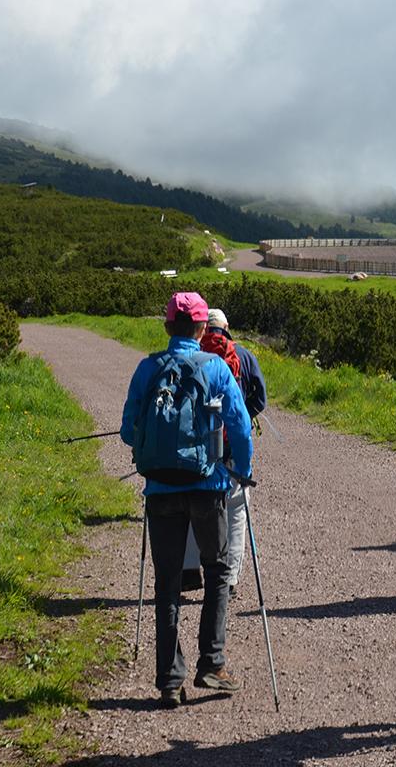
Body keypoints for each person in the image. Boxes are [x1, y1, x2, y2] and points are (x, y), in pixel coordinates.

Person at [120, 291, 253, 709]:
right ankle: (211, 664)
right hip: (207, 485)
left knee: (168, 580)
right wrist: (241, 472)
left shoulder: (147, 369)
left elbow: (127, 431)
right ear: (201, 329)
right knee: (217, 571)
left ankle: (168, 679)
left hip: (159, 488)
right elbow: (241, 426)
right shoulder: (214, 367)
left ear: (166, 327)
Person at [200, 308, 267, 598]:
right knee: (237, 510)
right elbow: (260, 398)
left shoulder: (194, 354)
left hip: (197, 446)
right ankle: (229, 579)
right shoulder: (243, 354)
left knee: (195, 505)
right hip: (231, 444)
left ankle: (191, 570)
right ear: (227, 327)